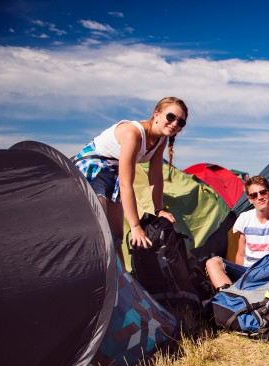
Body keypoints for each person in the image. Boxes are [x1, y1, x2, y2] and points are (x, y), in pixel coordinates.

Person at [73, 97, 187, 267]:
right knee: (101, 230)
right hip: (93, 168)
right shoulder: (132, 133)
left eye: (181, 122)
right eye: (171, 117)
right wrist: (134, 226)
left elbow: (155, 175)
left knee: (117, 237)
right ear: (156, 114)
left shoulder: (160, 139)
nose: (175, 123)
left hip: (114, 173)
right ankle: (96, 276)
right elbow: (127, 183)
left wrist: (158, 209)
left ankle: (123, 281)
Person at [205, 176, 269, 289]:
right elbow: (240, 253)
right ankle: (231, 296)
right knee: (212, 263)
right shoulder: (244, 218)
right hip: (248, 271)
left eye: (263, 193)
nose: (259, 197)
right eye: (254, 195)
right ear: (249, 199)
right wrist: (240, 280)